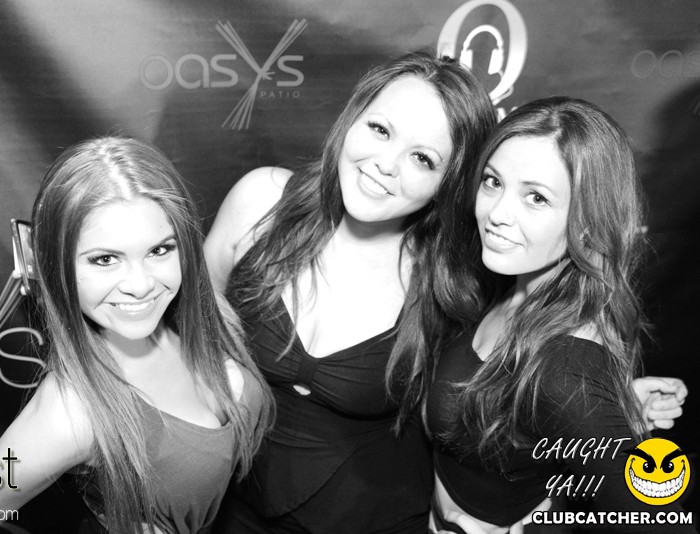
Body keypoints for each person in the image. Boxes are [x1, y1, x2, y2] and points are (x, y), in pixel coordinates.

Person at [204, 51, 685, 534]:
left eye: (422, 158)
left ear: (446, 181)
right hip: (237, 503)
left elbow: (538, 383)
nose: (385, 164)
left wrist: (551, 499)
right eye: (380, 129)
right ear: (352, 118)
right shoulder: (262, 203)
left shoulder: (450, 276)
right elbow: (192, 337)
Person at [0, 137, 273, 534]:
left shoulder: (201, 317)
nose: (141, 285)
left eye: (159, 250)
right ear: (56, 266)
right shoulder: (70, 411)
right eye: (105, 259)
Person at [427, 97, 692, 534]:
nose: (496, 214)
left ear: (587, 223)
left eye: (536, 197)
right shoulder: (511, 280)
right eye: (493, 181)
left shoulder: (566, 372)